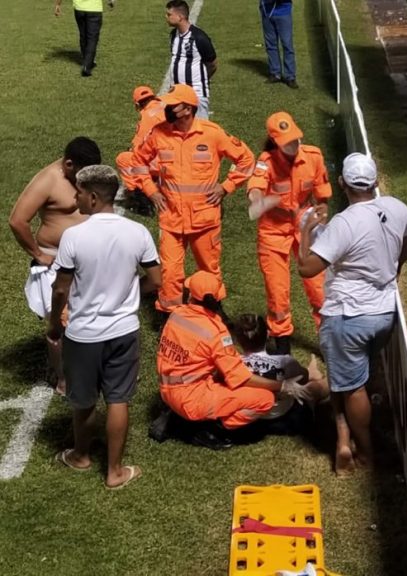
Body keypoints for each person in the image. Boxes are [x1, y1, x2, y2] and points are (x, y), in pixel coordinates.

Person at [297, 153, 407, 474]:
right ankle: (343, 436)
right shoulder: (394, 208)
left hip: (347, 318)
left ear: (342, 183)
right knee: (346, 377)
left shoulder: (345, 223)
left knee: (352, 387)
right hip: (382, 315)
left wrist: (305, 233)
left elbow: (307, 268)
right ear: (376, 182)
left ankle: (365, 453)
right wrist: (398, 264)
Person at [47, 165, 161, 489]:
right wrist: (129, 292)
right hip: (124, 331)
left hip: (83, 334)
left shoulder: (74, 236)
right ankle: (115, 472)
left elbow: (60, 289)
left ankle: (81, 456)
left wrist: (55, 324)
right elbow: (156, 281)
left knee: (83, 400)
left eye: (80, 192)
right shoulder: (138, 233)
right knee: (118, 399)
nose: (75, 197)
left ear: (94, 197)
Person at [155, 271, 326, 450]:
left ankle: (178, 415)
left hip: (167, 389)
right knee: (264, 398)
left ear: (191, 295)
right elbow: (240, 378)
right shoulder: (215, 332)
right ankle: (214, 429)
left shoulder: (177, 315)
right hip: (191, 398)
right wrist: (282, 386)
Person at [130, 83, 255, 313]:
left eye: (173, 106)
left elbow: (247, 160)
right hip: (171, 220)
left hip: (204, 220)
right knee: (170, 273)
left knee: (209, 270)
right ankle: (171, 321)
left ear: (188, 109)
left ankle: (213, 312)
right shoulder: (158, 134)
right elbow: (137, 161)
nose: (166, 108)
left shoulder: (212, 134)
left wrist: (226, 187)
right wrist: (150, 190)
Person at [9, 137, 101, 395]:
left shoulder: (85, 175)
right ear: (69, 164)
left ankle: (101, 366)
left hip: (88, 257)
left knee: (95, 313)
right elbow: (18, 220)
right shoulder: (48, 180)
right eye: (81, 173)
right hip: (56, 260)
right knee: (59, 322)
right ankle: (63, 377)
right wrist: (38, 254)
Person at [247, 111, 332, 354]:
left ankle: (328, 341)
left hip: (305, 227)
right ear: (275, 142)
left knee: (319, 288)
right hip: (273, 232)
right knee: (277, 291)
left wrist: (322, 211)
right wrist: (257, 201)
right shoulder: (266, 161)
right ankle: (283, 346)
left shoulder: (313, 156)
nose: (294, 145)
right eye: (287, 142)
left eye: (295, 139)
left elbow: (322, 191)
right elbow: (256, 186)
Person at [234, 313, 328, 433]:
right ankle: (321, 375)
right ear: (268, 335)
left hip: (250, 422)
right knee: (315, 385)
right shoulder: (285, 362)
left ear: (238, 339)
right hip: (286, 419)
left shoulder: (233, 365)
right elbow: (304, 378)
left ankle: (314, 370)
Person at [115, 85, 166, 216]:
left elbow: (138, 149)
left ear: (137, 104)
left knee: (124, 159)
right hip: (180, 159)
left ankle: (139, 196)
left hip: (162, 165)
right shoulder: (168, 107)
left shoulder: (146, 116)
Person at [166, 0, 217, 119]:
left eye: (169, 14)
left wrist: (200, 80)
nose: (166, 17)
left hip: (196, 94)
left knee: (199, 132)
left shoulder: (199, 37)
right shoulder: (174, 35)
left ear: (180, 17)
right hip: (177, 94)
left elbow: (213, 64)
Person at [54, 0, 112, 77]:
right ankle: (87, 66)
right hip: (94, 9)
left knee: (83, 35)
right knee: (92, 38)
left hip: (79, 9)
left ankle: (87, 60)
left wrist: (58, 5)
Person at [259, 0, 298, 89]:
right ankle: (275, 73)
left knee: (287, 45)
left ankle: (290, 77)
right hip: (266, 11)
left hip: (283, 11)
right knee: (270, 44)